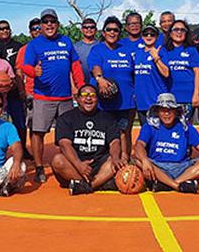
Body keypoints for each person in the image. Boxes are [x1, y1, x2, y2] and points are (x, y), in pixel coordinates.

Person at [21, 9, 85, 182]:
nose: (49, 25)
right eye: (45, 22)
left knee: (68, 134)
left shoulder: (66, 41)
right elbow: (25, 66)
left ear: (57, 24)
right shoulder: (34, 44)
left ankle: (68, 163)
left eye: (52, 21)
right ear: (41, 25)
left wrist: (80, 86)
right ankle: (39, 167)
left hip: (65, 98)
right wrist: (33, 71)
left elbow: (75, 65)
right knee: (38, 132)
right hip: (43, 97)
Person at [134, 93, 199, 193]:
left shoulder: (185, 127)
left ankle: (168, 184)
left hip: (181, 167)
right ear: (157, 112)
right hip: (158, 167)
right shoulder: (150, 126)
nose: (166, 114)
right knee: (138, 160)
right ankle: (178, 186)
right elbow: (139, 145)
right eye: (163, 110)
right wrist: (145, 160)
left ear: (176, 112)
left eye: (170, 110)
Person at [51, 85, 126, 194]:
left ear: (97, 99)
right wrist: (79, 165)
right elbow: (64, 144)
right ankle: (99, 183)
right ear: (78, 99)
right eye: (85, 95)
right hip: (75, 164)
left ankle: (88, 186)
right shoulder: (66, 118)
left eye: (92, 95)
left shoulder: (107, 118)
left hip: (100, 163)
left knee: (116, 161)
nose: (88, 98)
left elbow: (114, 142)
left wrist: (115, 157)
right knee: (57, 160)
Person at [88, 16, 136, 158]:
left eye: (116, 30)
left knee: (124, 131)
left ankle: (125, 160)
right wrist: (99, 78)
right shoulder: (97, 49)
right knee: (103, 132)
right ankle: (103, 160)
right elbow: (95, 66)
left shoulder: (126, 50)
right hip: (104, 101)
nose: (112, 32)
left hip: (124, 101)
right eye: (109, 30)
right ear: (103, 33)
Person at [0, 19, 28, 152]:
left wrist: (22, 88)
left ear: (10, 30)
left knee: (20, 123)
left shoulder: (19, 46)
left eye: (6, 28)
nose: (4, 30)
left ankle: (23, 149)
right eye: (1, 29)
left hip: (15, 91)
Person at [160, 19, 199, 119]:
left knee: (185, 126)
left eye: (182, 30)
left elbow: (197, 73)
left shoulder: (191, 50)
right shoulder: (164, 50)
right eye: (176, 29)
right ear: (170, 33)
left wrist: (196, 94)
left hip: (187, 95)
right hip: (170, 96)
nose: (179, 32)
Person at [134, 24, 170, 124]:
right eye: (146, 34)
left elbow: (166, 73)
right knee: (146, 134)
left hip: (157, 102)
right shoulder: (137, 53)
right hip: (142, 102)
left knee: (159, 135)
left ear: (157, 36)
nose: (149, 36)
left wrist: (156, 58)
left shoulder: (161, 51)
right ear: (142, 36)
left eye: (152, 34)